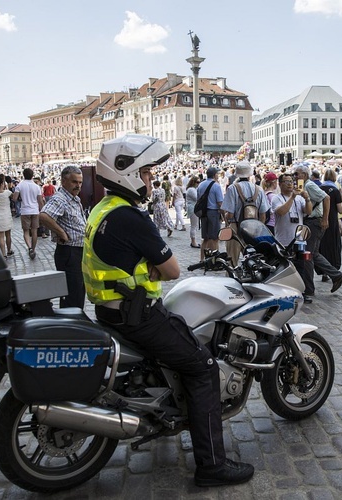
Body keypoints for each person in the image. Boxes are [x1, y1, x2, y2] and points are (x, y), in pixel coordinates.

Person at [82, 134, 254, 487]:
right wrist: (156, 267)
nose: (150, 179)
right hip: (138, 315)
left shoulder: (102, 209)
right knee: (203, 368)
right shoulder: (130, 217)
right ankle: (211, 466)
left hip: (111, 311)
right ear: (126, 172)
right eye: (145, 173)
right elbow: (174, 270)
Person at [294, 164, 342, 300]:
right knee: (314, 254)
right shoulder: (302, 185)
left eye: (296, 174)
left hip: (314, 222)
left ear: (304, 175)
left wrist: (325, 219)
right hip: (310, 222)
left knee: (308, 256)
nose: (294, 176)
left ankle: (309, 290)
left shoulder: (309, 185)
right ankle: (336, 275)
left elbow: (326, 198)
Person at [40, 165, 87, 309]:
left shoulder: (74, 198)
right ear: (64, 181)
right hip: (69, 252)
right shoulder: (60, 199)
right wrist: (61, 233)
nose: (78, 186)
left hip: (77, 251)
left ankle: (75, 323)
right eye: (74, 182)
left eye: (80, 182)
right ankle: (72, 326)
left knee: (78, 291)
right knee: (72, 294)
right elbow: (44, 216)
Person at [272, 172, 312, 301]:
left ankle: (301, 292)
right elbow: (282, 212)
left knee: (300, 267)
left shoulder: (299, 198)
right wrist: (292, 197)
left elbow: (308, 211)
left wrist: (307, 199)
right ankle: (285, 293)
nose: (290, 184)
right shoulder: (276, 198)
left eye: (291, 181)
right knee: (285, 268)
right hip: (283, 240)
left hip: (298, 239)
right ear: (280, 184)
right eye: (287, 182)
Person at [221, 161, 269, 266]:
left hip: (235, 227)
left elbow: (229, 214)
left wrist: (225, 220)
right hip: (253, 228)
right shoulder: (259, 189)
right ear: (250, 174)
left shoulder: (232, 188)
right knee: (253, 260)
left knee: (232, 261)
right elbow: (263, 215)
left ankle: (232, 280)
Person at [12, 168, 44, 260]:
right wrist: (42, 211)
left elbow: (14, 198)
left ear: (23, 175)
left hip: (25, 210)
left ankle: (29, 247)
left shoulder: (20, 185)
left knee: (26, 231)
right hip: (35, 210)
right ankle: (33, 249)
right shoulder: (36, 186)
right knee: (34, 231)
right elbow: (40, 201)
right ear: (32, 175)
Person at [319, 168, 342, 280]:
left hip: (320, 220)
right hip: (332, 220)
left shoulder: (319, 188)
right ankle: (332, 269)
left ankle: (324, 271)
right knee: (333, 246)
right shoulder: (335, 190)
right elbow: (340, 210)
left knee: (322, 246)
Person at [197, 167, 223, 259]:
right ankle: (214, 260)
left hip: (203, 213)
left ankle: (202, 259)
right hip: (213, 212)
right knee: (215, 238)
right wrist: (223, 214)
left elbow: (198, 200)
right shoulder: (216, 186)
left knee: (206, 238)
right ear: (214, 175)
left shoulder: (201, 185)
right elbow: (220, 202)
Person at [185, 175, 201, 248]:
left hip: (194, 207)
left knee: (194, 225)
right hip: (193, 208)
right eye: (197, 182)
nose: (198, 183)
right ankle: (193, 242)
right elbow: (196, 198)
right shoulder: (191, 189)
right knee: (193, 226)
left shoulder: (193, 189)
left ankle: (194, 241)